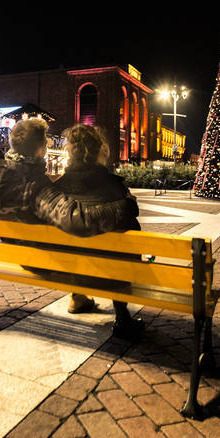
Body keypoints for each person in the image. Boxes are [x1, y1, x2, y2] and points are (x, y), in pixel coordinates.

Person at [0, 118, 143, 338]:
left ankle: (78, 296)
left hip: (34, 257)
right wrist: (126, 205)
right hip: (95, 270)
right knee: (119, 243)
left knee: (72, 243)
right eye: (47, 146)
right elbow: (77, 221)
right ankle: (121, 315)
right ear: (41, 149)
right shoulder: (38, 187)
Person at [53, 124, 144, 337]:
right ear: (99, 150)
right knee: (122, 250)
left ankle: (78, 297)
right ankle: (121, 317)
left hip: (70, 271)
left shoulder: (57, 187)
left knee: (76, 241)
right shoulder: (114, 185)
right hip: (110, 273)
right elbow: (133, 231)